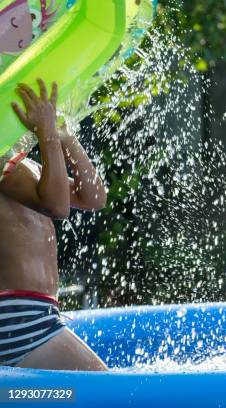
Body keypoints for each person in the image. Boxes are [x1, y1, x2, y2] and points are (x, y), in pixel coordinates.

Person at [0, 79, 108, 370]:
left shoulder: (28, 166)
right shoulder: (2, 164)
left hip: (31, 313)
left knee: (63, 398)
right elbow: (57, 207)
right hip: (20, 315)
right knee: (109, 393)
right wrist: (46, 133)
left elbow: (94, 197)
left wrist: (65, 137)